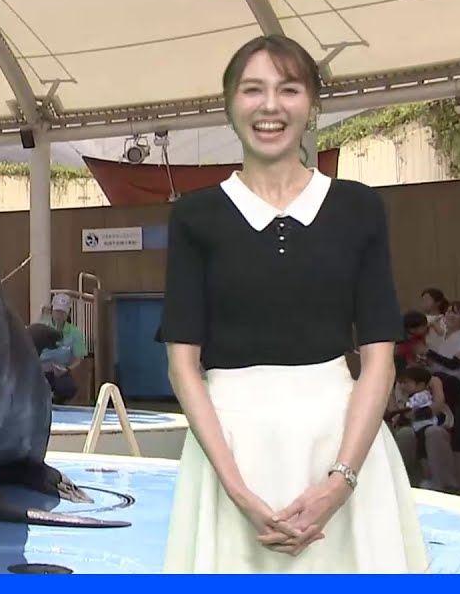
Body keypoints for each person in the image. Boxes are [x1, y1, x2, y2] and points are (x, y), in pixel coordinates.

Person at [159, 35, 428, 573]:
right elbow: (183, 363)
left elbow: (379, 356)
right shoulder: (195, 216)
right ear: (230, 107)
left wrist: (341, 480)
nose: (270, 106)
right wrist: (234, 488)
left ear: (314, 105)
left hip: (340, 441)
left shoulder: (358, 208)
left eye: (289, 89)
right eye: (252, 90)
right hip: (229, 448)